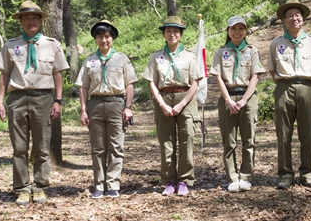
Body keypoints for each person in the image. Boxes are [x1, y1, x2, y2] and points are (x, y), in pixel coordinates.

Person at [0, 0, 69, 206]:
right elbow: (4, 75)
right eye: (25, 18)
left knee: (42, 146)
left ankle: (40, 186)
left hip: (43, 99)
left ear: (40, 20)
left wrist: (58, 100)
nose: (30, 21)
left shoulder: (51, 44)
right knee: (19, 147)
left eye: (34, 17)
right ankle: (22, 188)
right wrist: (0, 102)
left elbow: (57, 74)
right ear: (20, 21)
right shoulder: (11, 45)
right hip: (17, 99)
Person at [76, 20, 138, 199]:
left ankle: (112, 184)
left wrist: (128, 107)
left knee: (116, 146)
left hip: (116, 104)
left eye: (107, 36)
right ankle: (99, 185)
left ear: (112, 38)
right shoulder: (90, 61)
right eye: (100, 37)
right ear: (95, 39)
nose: (104, 40)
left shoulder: (121, 58)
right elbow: (83, 87)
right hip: (95, 104)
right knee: (98, 147)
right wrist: (83, 109)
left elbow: (130, 84)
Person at [268, 0, 311, 189]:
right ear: (284, 20)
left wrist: (303, 81)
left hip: (307, 88)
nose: (294, 19)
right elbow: (272, 71)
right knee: (283, 134)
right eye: (290, 16)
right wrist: (287, 81)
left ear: (303, 19)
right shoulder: (276, 43)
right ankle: (285, 174)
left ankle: (307, 173)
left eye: (297, 15)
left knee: (308, 133)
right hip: (284, 87)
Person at [143, 16, 202, 196]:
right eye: (168, 31)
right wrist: (162, 104)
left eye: (176, 31)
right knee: (166, 142)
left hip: (186, 98)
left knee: (186, 140)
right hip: (164, 98)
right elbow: (152, 82)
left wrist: (182, 103)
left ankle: (184, 180)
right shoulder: (156, 57)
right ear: (164, 34)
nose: (172, 34)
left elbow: (195, 83)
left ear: (181, 34)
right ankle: (169, 181)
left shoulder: (190, 56)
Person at [210, 16, 265, 192]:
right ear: (227, 31)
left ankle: (246, 176)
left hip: (247, 99)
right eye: (233, 29)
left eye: (241, 29)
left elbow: (255, 76)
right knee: (229, 141)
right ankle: (232, 177)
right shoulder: (220, 52)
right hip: (228, 96)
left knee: (249, 140)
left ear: (245, 31)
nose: (237, 32)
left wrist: (243, 100)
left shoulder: (253, 51)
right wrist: (228, 100)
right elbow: (218, 77)